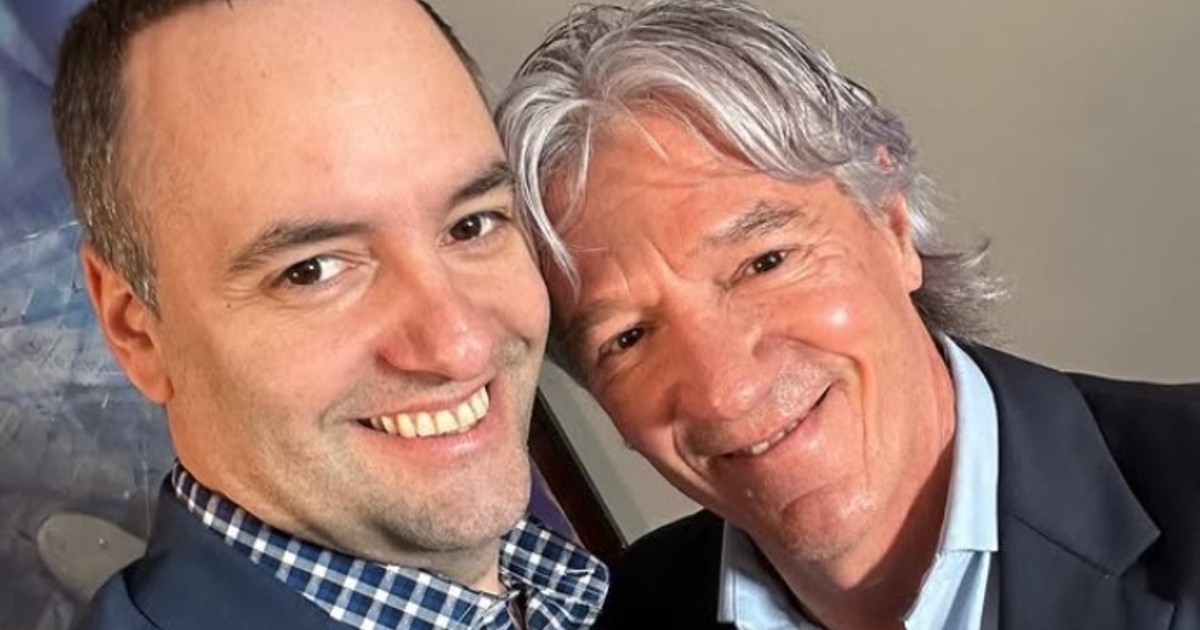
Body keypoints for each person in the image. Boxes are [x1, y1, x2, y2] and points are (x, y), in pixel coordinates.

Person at [496, 1, 1200, 628]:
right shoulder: (618, 614)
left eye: (765, 262)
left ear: (893, 225)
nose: (726, 391)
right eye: (627, 338)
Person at [50, 0, 608, 628]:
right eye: (311, 270)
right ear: (137, 331)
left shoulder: (599, 588)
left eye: (471, 225)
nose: (459, 345)